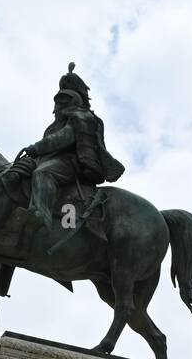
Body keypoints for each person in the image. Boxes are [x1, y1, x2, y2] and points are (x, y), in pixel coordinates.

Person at [16, 63, 124, 238]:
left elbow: (64, 138)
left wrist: (36, 148)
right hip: (52, 159)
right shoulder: (66, 119)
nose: (57, 106)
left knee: (43, 174)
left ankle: (40, 214)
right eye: (58, 101)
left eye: (62, 101)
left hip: (70, 163)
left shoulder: (80, 116)